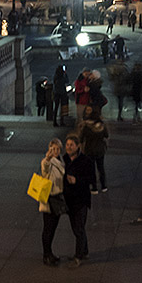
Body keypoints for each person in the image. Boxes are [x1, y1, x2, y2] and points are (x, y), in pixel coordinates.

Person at [62, 134, 97, 267]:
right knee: (76, 228)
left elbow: (92, 179)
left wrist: (77, 180)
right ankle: (85, 251)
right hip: (69, 199)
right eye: (67, 145)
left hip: (81, 199)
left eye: (71, 145)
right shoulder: (65, 159)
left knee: (79, 228)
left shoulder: (86, 161)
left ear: (78, 146)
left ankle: (78, 256)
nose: (68, 147)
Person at [39, 138, 66, 266]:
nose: (55, 151)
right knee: (48, 228)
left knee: (53, 227)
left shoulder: (61, 160)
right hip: (50, 198)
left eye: (57, 148)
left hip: (57, 197)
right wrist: (48, 158)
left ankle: (50, 253)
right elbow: (45, 168)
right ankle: (46, 254)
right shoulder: (47, 161)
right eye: (53, 148)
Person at [78, 106, 110, 192]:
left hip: (89, 150)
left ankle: (94, 187)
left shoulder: (86, 126)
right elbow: (106, 135)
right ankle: (103, 186)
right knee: (101, 168)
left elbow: (81, 138)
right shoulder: (102, 126)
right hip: (100, 150)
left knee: (91, 169)